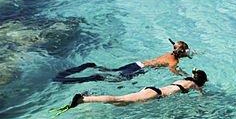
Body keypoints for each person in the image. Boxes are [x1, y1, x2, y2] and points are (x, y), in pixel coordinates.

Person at [51, 69, 207, 115]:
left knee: (121, 104)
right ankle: (84, 99)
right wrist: (204, 98)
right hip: (154, 94)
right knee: (119, 99)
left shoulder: (183, 81)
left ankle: (87, 98)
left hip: (151, 90)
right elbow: (200, 93)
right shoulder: (192, 85)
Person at [54, 39, 193, 84]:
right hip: (139, 70)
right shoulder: (174, 62)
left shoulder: (168, 54)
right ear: (183, 53)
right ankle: (93, 77)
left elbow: (178, 52)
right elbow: (172, 69)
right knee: (117, 80)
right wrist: (184, 75)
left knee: (111, 70)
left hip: (136, 64)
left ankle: (92, 66)